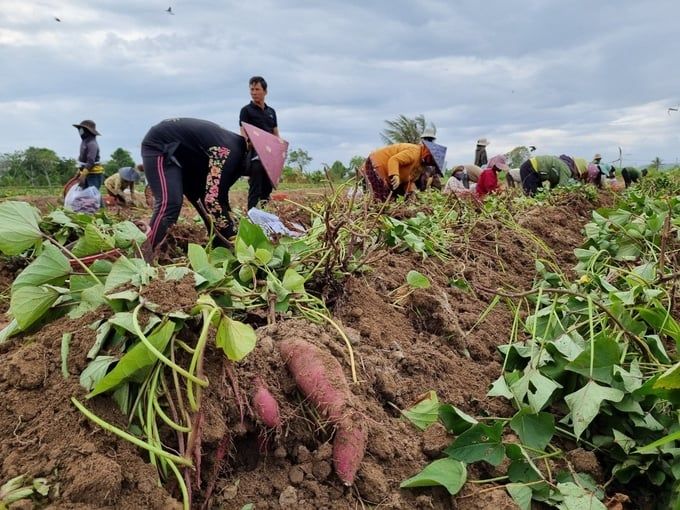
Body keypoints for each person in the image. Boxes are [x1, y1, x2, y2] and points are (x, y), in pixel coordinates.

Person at [140, 118, 248, 259]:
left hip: (186, 158)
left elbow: (218, 196)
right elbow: (213, 199)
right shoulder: (229, 152)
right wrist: (232, 235)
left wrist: (229, 226)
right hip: (161, 145)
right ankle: (145, 255)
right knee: (170, 203)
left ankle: (220, 248)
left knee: (201, 199)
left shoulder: (236, 152)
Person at [239, 76, 279, 210]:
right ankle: (251, 215)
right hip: (255, 155)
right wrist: (248, 144)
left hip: (269, 157)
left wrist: (278, 155)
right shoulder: (246, 111)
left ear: (265, 92)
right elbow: (243, 132)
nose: (254, 92)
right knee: (255, 187)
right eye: (251, 89)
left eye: (257, 89)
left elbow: (276, 135)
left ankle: (264, 213)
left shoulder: (271, 112)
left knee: (267, 188)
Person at [361, 141, 443, 201]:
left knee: (391, 200)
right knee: (381, 199)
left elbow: (408, 179)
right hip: (376, 164)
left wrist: (411, 192)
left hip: (387, 175)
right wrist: (395, 175)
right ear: (428, 153)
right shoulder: (414, 152)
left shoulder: (421, 166)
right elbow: (394, 160)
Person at [73, 120, 104, 191]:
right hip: (86, 171)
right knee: (84, 194)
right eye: (79, 129)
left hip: (93, 173)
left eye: (82, 130)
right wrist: (79, 170)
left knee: (92, 194)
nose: (80, 132)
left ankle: (99, 202)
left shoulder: (92, 143)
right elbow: (82, 158)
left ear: (87, 131)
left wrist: (83, 175)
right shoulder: (85, 141)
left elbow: (91, 161)